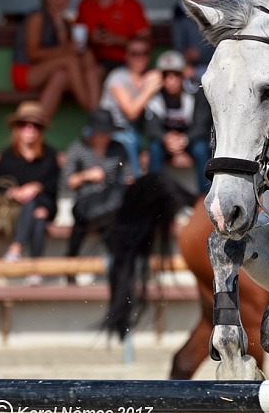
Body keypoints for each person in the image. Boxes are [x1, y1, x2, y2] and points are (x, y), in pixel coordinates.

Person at [11, 0, 101, 117]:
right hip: (26, 71)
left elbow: (65, 51)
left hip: (50, 71)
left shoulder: (64, 22)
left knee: (65, 74)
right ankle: (94, 113)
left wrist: (60, 26)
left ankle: (38, 124)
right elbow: (33, 53)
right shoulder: (38, 16)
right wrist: (65, 49)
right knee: (70, 60)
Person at [0, 102, 60, 280]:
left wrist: (36, 187)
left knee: (36, 207)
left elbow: (53, 189)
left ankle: (17, 248)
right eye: (24, 124)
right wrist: (14, 192)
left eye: (36, 125)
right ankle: (35, 269)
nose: (30, 129)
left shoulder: (49, 155)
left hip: (45, 205)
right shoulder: (7, 156)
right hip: (13, 211)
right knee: (36, 213)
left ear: (41, 130)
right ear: (17, 128)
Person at [62, 108, 134, 262]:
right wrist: (86, 175)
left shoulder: (118, 148)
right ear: (93, 132)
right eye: (103, 132)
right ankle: (114, 261)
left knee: (110, 218)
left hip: (110, 202)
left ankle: (113, 262)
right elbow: (67, 181)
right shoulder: (77, 148)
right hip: (86, 202)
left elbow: (129, 176)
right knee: (98, 221)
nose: (107, 136)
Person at [144, 50, 212, 196]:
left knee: (201, 148)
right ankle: (153, 195)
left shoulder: (196, 91)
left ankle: (205, 196)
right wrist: (166, 139)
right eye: (166, 76)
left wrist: (184, 139)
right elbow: (151, 126)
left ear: (183, 75)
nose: (171, 80)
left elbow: (202, 125)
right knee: (154, 148)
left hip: (191, 139)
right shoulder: (155, 95)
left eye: (175, 75)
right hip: (167, 142)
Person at [76, 0, 151, 75]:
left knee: (91, 72)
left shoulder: (130, 3)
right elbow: (78, 43)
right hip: (94, 62)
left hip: (126, 62)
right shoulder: (85, 4)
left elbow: (147, 41)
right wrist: (92, 39)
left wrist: (119, 40)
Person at [98, 37, 163, 177]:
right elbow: (131, 112)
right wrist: (148, 89)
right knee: (129, 140)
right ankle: (134, 187)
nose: (139, 57)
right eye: (134, 53)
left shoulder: (150, 77)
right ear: (126, 56)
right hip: (109, 130)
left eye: (144, 53)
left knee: (154, 144)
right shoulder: (117, 77)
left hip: (135, 132)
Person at [171, 0, 223, 87]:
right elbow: (179, 46)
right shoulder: (180, 9)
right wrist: (185, 58)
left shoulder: (224, 2)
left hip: (222, 67)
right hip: (193, 73)